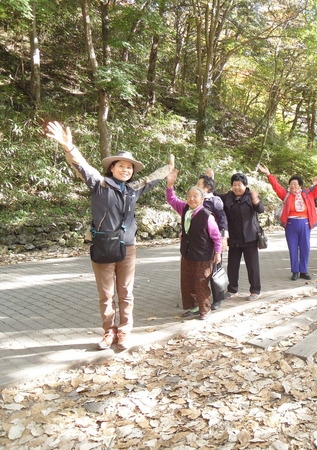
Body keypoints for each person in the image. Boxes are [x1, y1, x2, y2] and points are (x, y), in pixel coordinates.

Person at [45, 121, 173, 351]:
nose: (126, 170)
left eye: (129, 167)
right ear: (112, 168)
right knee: (106, 294)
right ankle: (108, 331)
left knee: (126, 293)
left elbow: (152, 178)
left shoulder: (134, 189)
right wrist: (69, 147)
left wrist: (168, 168)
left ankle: (124, 330)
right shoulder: (100, 184)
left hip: (128, 248)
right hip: (103, 246)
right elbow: (82, 166)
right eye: (121, 166)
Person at [258, 164, 317, 280]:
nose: (292, 186)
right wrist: (269, 175)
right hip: (291, 224)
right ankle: (295, 271)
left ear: (300, 186)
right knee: (292, 248)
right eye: (291, 184)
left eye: (295, 184)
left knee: (305, 247)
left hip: (305, 224)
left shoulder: (308, 194)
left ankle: (304, 270)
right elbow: (276, 187)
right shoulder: (286, 195)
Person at [166, 170, 222, 320]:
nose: (191, 199)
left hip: (204, 254)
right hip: (187, 252)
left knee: (201, 282)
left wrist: (218, 253)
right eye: (189, 196)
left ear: (202, 198)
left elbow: (217, 237)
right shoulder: (184, 208)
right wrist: (170, 185)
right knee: (187, 281)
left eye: (195, 196)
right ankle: (194, 306)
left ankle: (205, 308)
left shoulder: (207, 216)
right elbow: (171, 199)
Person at [217, 172, 265, 300]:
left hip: (250, 237)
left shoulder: (250, 196)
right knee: (232, 265)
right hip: (234, 237)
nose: (236, 187)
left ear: (245, 185)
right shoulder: (227, 197)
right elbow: (213, 196)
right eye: (234, 185)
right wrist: (210, 179)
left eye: (239, 185)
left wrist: (256, 200)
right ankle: (232, 289)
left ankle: (255, 290)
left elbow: (261, 209)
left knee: (252, 266)